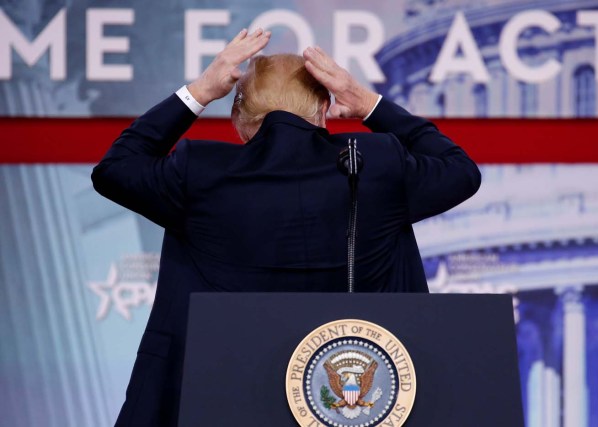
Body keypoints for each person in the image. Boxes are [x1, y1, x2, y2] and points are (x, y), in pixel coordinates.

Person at [92, 28, 481, 427]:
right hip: (356, 413)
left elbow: (115, 169)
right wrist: (367, 103)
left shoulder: (200, 173)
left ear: (238, 121)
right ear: (322, 112)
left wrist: (200, 92)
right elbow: (461, 172)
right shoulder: (374, 165)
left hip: (219, 405)